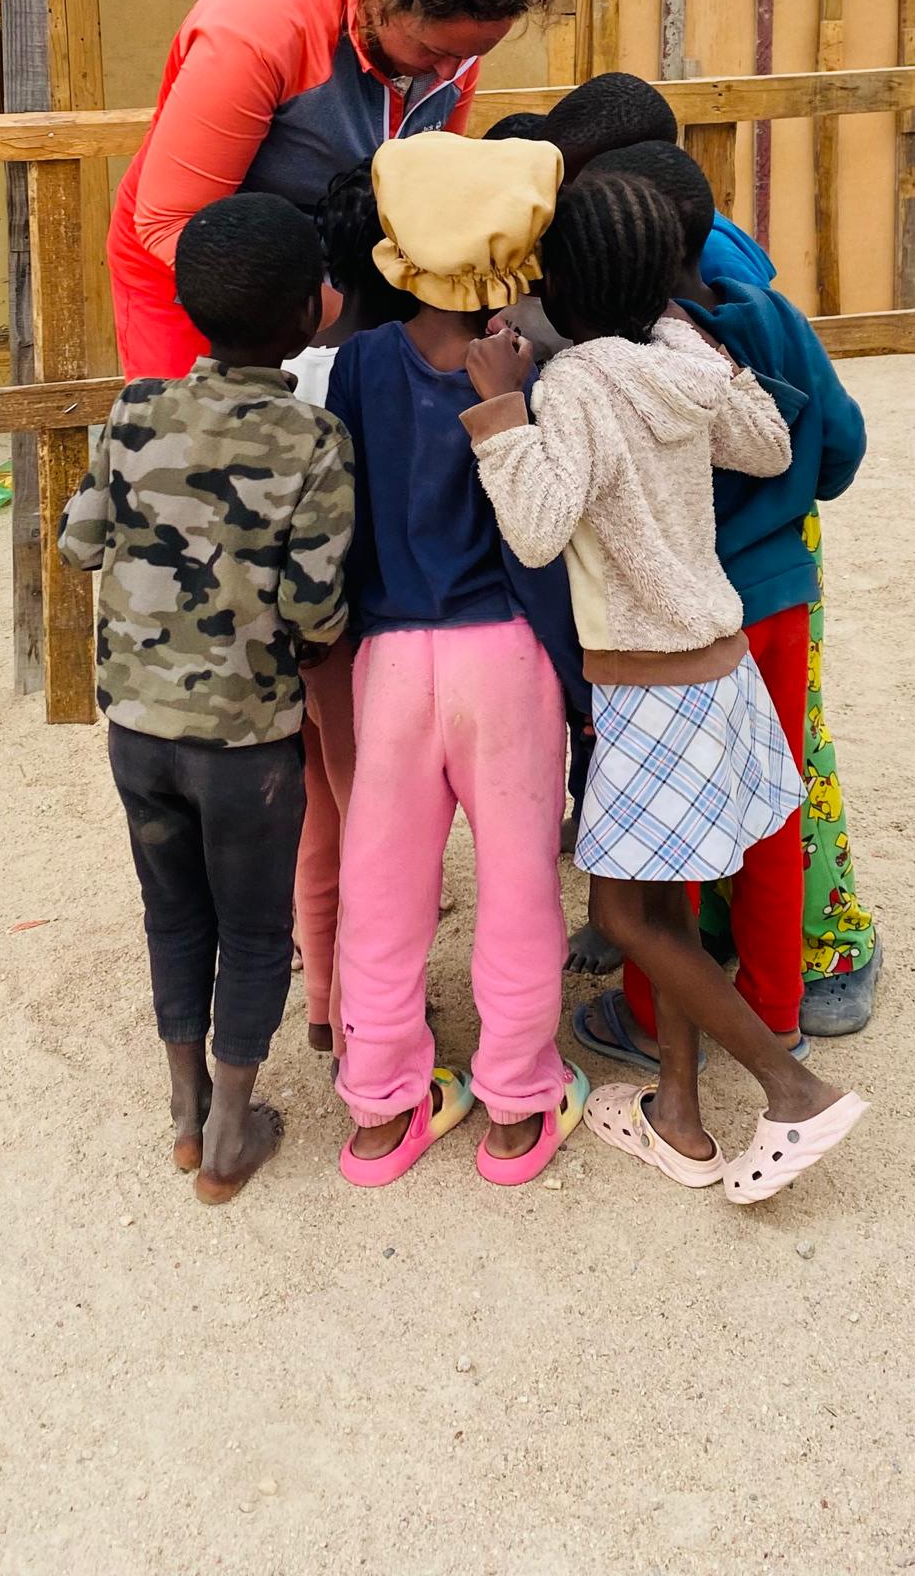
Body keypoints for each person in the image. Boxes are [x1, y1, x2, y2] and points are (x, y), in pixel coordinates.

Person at [463, 168, 868, 1203]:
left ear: (559, 284)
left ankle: (792, 1089)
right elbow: (769, 444)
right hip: (716, 666)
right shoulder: (679, 360)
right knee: (666, 902)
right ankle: (676, 1116)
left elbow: (540, 527)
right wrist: (693, 344)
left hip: (648, 687)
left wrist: (501, 413)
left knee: (626, 914)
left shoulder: (574, 387)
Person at [57, 196, 354, 1204]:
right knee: (256, 929)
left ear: (189, 306)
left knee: (173, 914)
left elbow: (80, 543)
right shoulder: (313, 437)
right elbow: (313, 609)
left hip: (139, 731)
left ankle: (185, 1113)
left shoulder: (135, 409)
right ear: (311, 312)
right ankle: (233, 1130)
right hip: (248, 745)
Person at [569, 142, 872, 1070]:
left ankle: (654, 1019)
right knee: (774, 815)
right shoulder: (771, 313)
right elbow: (840, 448)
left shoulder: (632, 358)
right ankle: (778, 1010)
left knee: (679, 824)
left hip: (700, 617)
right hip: (785, 593)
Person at [330, 132, 590, 1188]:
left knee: (382, 885)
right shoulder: (534, 369)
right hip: (507, 658)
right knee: (520, 883)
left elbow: (344, 515)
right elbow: (543, 547)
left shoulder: (357, 364)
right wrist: (577, 682)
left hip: (391, 658)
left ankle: (381, 1108)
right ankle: (518, 1103)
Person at [106, 0, 550, 379]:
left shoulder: (452, 32)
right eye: (435, 52)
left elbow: (423, 192)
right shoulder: (258, 26)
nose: (451, 75)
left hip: (331, 276)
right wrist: (318, 310)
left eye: (472, 56)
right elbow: (171, 221)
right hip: (205, 266)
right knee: (202, 426)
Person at [290, 162, 421, 1065]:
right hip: (360, 638)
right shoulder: (413, 369)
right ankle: (365, 1025)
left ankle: (322, 1003)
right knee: (371, 823)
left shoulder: (290, 369)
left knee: (319, 813)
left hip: (291, 642)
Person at [536, 69, 774, 286]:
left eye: (566, 185)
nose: (551, 196)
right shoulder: (627, 233)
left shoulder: (717, 263)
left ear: (636, 176)